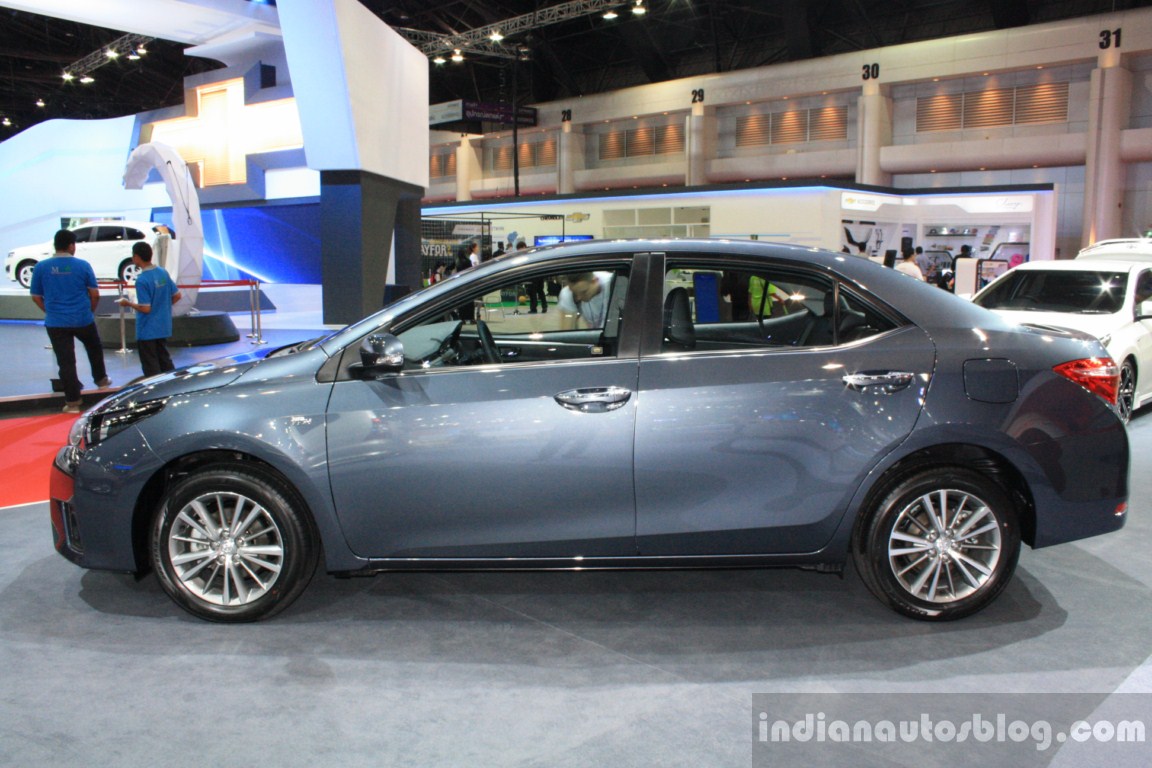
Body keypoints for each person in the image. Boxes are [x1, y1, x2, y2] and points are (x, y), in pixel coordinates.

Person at [30, 228, 111, 412]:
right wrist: (89, 311)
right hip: (83, 318)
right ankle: (101, 380)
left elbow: (36, 296)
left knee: (66, 361)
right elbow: (95, 294)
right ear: (71, 246)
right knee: (94, 348)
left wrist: (49, 310)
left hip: (56, 322)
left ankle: (73, 403)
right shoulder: (83, 265)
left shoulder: (41, 267)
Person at [117, 241, 182, 377]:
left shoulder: (142, 280)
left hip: (147, 329)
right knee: (164, 360)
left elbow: (145, 308)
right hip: (163, 325)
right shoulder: (162, 273)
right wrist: (162, 306)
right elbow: (177, 295)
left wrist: (128, 303)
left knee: (150, 365)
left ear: (136, 257)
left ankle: (155, 393)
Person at [521, 241, 548, 314]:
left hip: (533, 276)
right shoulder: (536, 254)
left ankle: (534, 309)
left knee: (533, 292)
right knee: (540, 291)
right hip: (540, 275)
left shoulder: (528, 255)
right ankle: (544, 306)